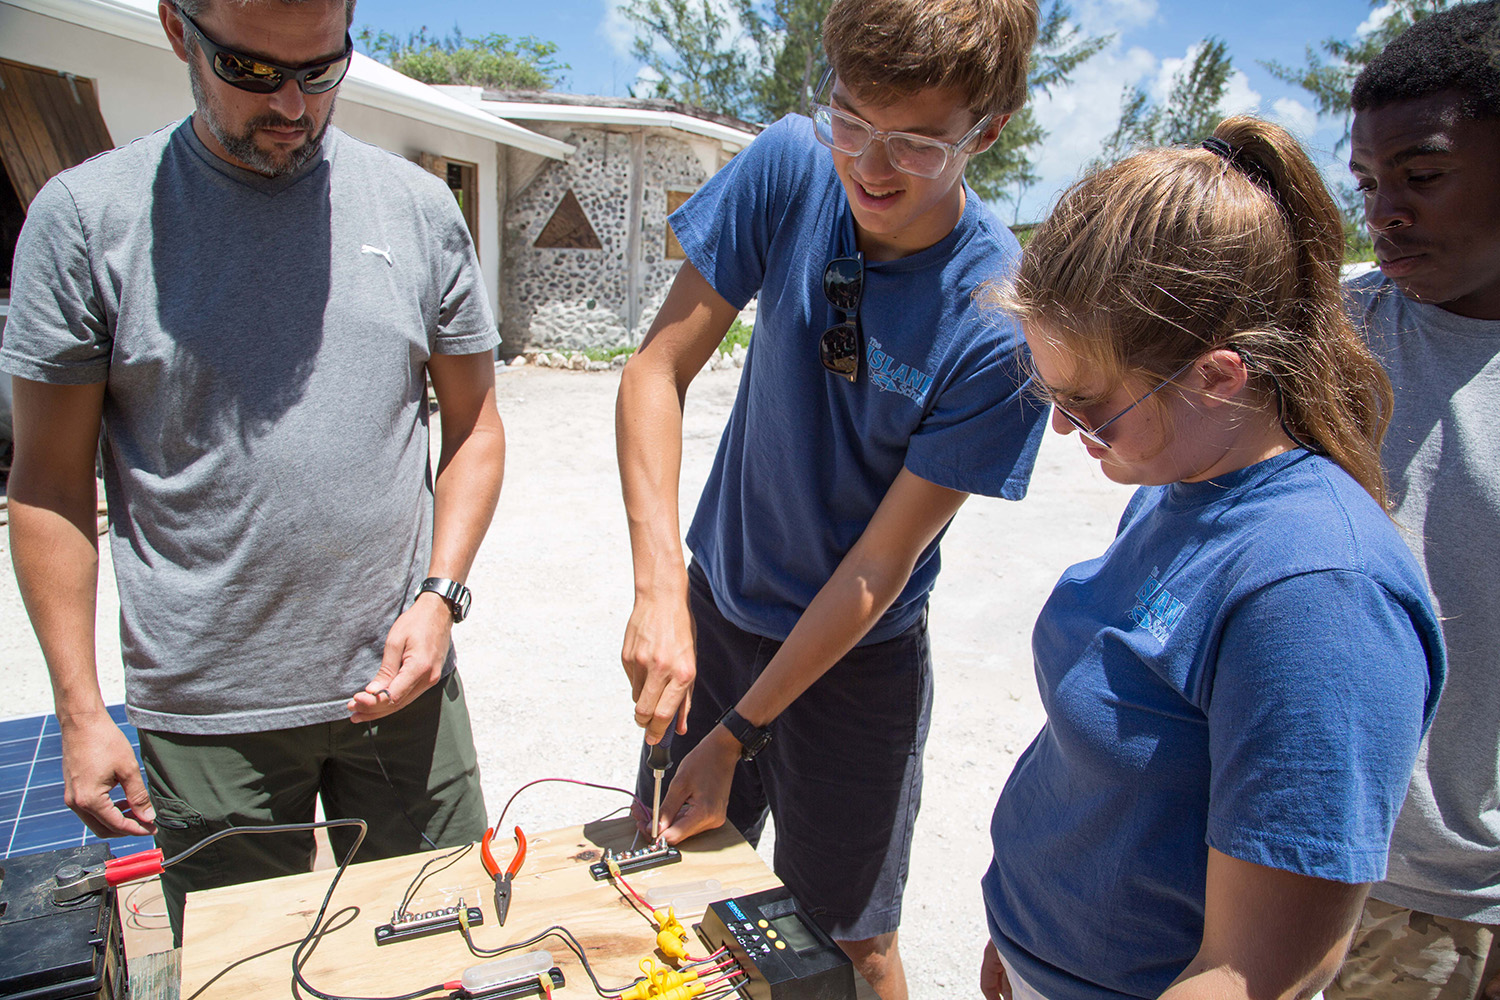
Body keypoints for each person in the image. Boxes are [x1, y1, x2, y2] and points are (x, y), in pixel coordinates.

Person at [1, 0, 503, 942]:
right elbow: (49, 487)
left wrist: (440, 596)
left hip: (403, 693)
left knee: (445, 942)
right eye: (254, 73)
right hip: (207, 719)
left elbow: (474, 426)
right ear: (177, 29)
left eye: (320, 71)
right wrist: (77, 710)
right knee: (252, 966)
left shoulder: (419, 209)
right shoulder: (87, 221)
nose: (293, 108)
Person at [615, 0, 1046, 994]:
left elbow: (879, 565)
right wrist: (659, 591)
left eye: (915, 144)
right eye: (850, 120)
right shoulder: (792, 163)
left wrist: (734, 736)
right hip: (713, 616)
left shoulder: (996, 321)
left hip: (857, 659)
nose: (868, 165)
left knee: (850, 937)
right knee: (663, 872)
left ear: (988, 132)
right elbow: (653, 372)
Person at [978, 116, 1446, 1000]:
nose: (1062, 429)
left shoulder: (1321, 596)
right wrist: (1023, 932)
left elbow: (1252, 969)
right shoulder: (1180, 479)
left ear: (1219, 377)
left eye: (1086, 404)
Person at [1331, 4, 1500, 997]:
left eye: (1423, 177)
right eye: (1369, 182)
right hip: (1383, 878)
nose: (1385, 211)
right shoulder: (1333, 339)